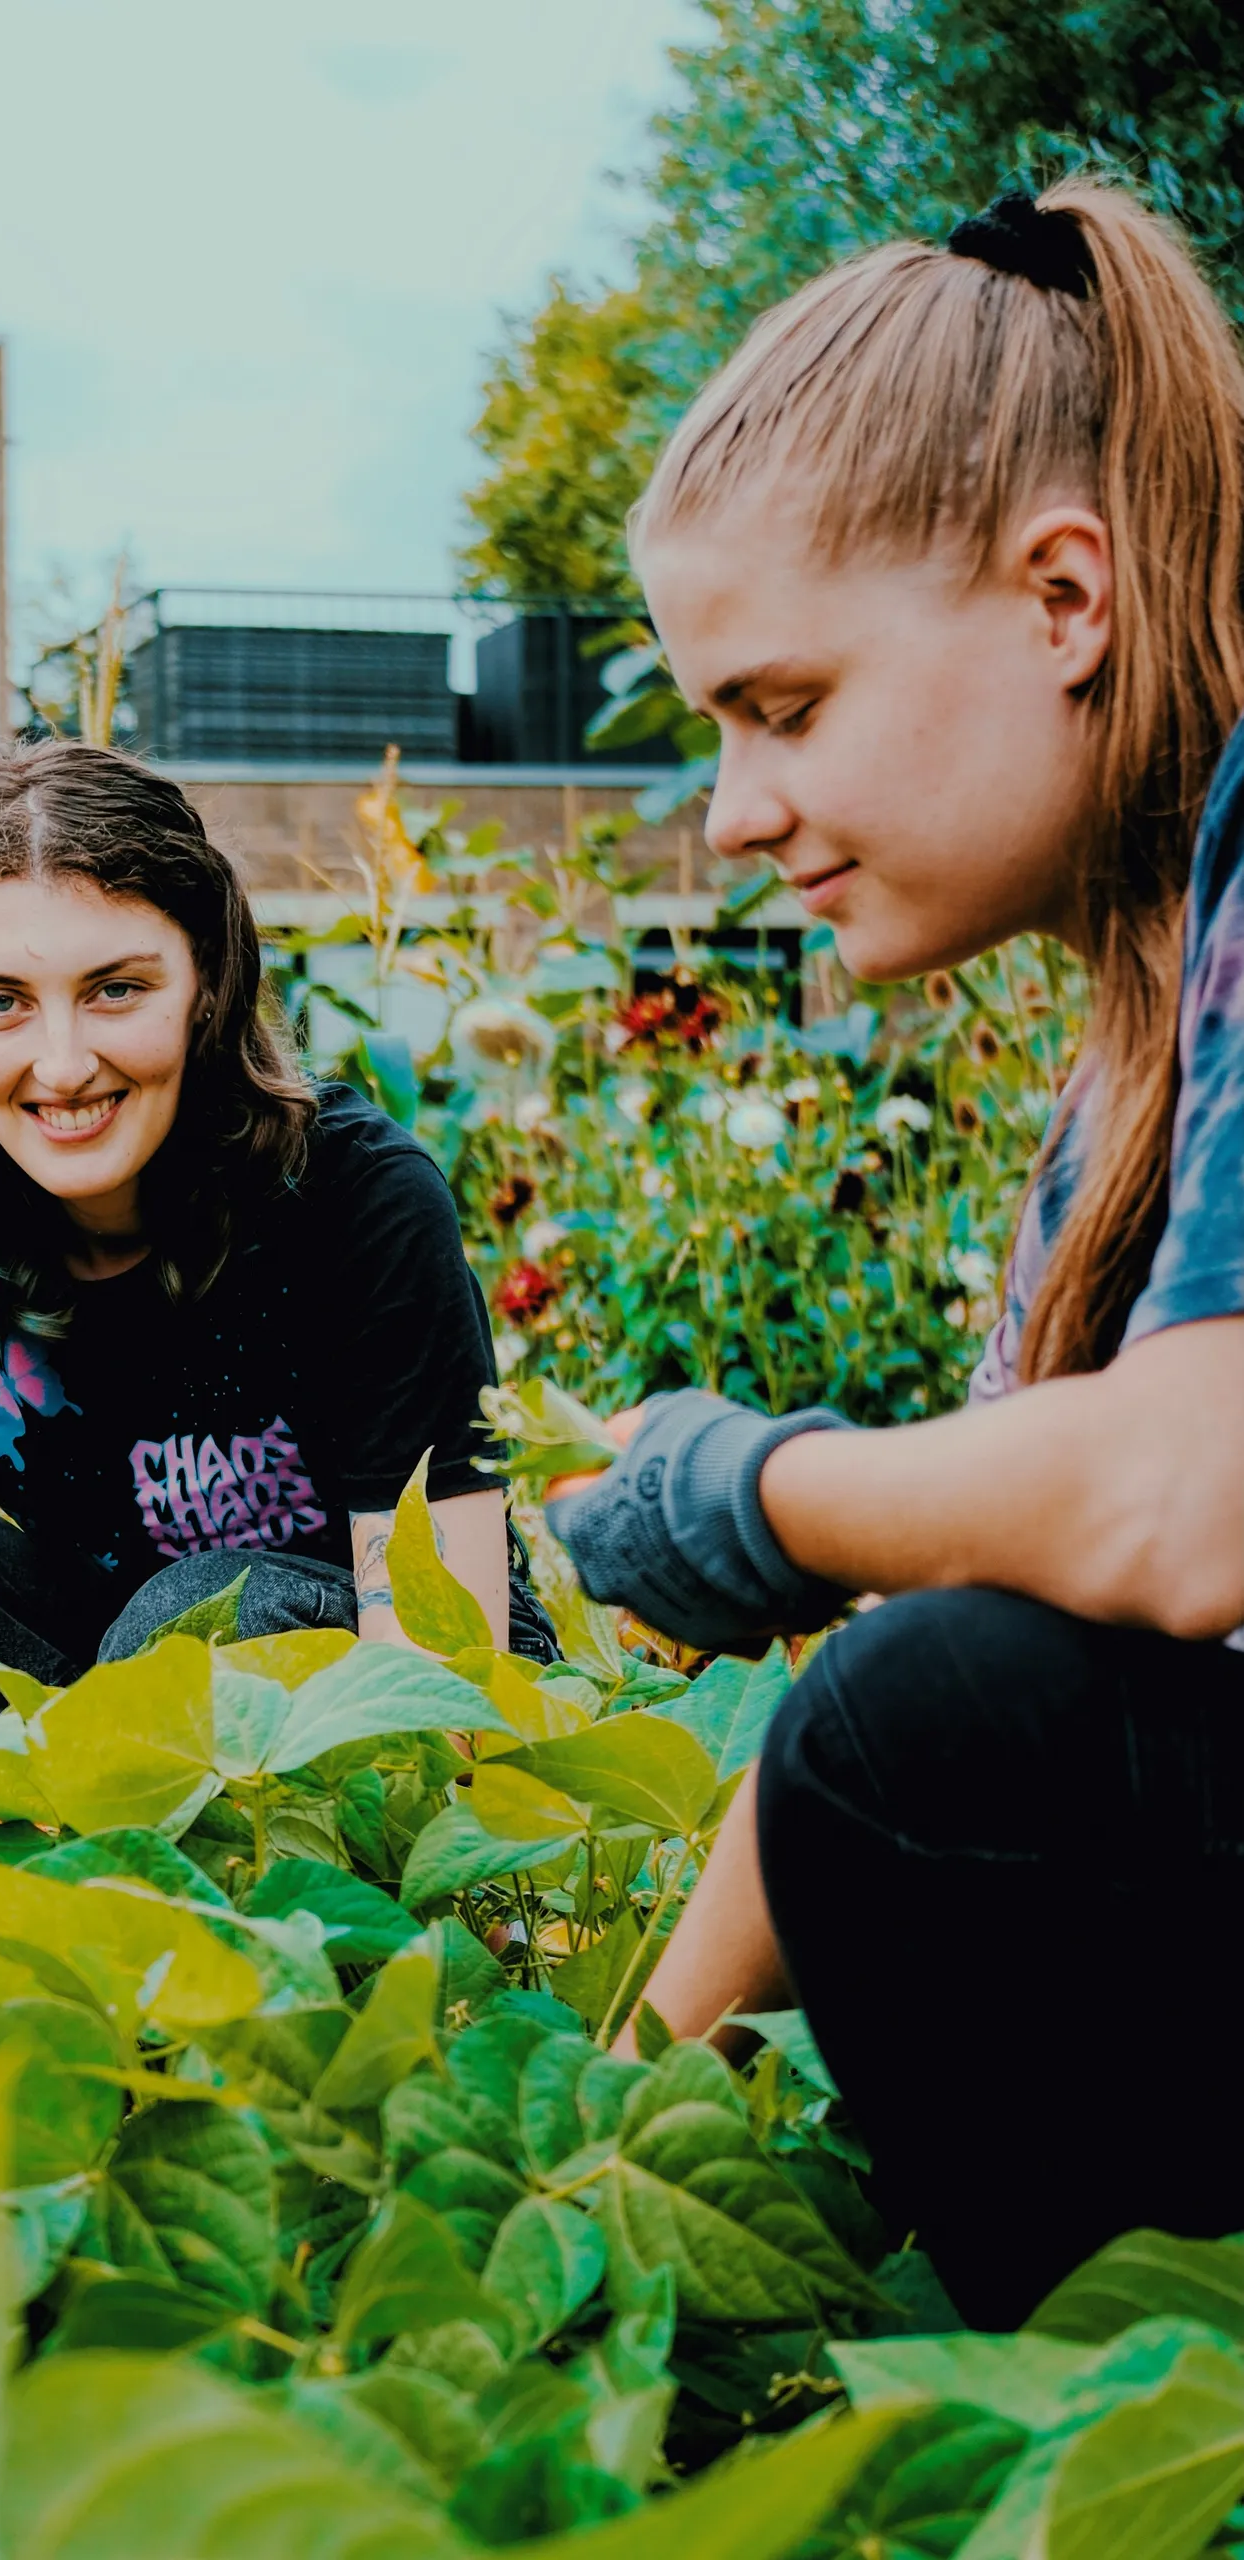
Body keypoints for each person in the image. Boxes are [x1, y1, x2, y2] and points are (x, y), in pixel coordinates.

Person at [542, 182, 1244, 2326]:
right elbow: (971, 1586)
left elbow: (1188, 1499)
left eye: (780, 700)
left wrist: (742, 1491)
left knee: (946, 1727)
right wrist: (593, 2143)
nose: (733, 809)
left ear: (1059, 596)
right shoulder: (1134, 1046)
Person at [0, 741, 551, 1779]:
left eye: (116, 989)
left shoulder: (354, 1199)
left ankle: (103, 1895)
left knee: (199, 1620)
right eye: (0, 1000)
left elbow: (443, 1657)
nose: (62, 1064)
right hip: (88, 1661)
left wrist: (446, 1810)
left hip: (353, 1673)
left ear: (207, 983)